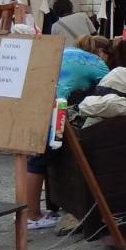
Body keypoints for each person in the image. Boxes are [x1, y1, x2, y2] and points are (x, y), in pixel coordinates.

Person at [24, 35, 112, 229]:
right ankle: (32, 216)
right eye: (108, 55)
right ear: (101, 52)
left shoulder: (68, 51)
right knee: (39, 160)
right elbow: (111, 88)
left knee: (34, 157)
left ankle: (28, 212)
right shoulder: (97, 63)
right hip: (56, 111)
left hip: (37, 103)